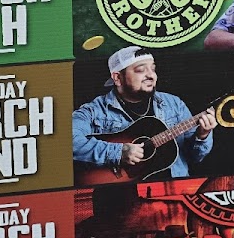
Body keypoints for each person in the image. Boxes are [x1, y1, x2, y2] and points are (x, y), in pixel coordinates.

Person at [72, 47, 215, 179]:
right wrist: (117, 152)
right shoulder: (94, 111)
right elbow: (67, 142)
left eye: (153, 69)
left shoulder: (174, 104)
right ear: (117, 78)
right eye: (141, 70)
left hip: (174, 187)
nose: (151, 75)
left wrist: (202, 135)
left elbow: (195, 158)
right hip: (121, 192)